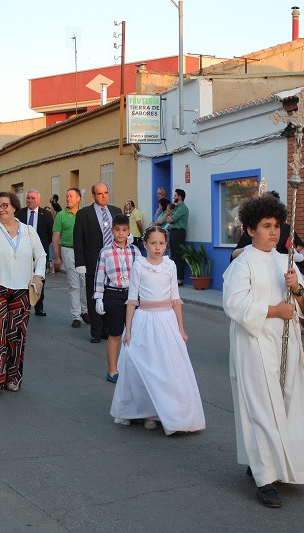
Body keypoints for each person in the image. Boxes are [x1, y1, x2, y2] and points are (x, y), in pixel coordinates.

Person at [222, 194, 304, 509]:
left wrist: (299, 289)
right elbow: (233, 303)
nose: (273, 232)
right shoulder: (244, 261)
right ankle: (264, 479)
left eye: (277, 226)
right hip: (254, 343)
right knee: (261, 408)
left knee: (287, 404)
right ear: (250, 229)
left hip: (286, 343)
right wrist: (275, 311)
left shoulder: (284, 261)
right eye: (266, 226)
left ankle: (274, 462)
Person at [110, 225, 205, 433]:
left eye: (161, 243)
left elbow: (175, 299)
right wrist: (129, 329)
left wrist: (181, 329)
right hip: (144, 320)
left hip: (167, 321)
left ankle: (167, 412)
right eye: (153, 243)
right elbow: (132, 299)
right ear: (144, 245)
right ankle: (147, 412)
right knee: (145, 366)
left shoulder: (170, 266)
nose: (157, 247)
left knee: (167, 368)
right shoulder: (139, 266)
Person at [0, 192, 46, 396]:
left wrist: (38, 277)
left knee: (16, 336)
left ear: (14, 207)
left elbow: (41, 256)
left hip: (22, 290)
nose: (1, 209)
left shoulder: (29, 232)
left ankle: (13, 377)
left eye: (5, 205)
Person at [94, 214, 141, 382]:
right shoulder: (105, 251)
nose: (121, 233)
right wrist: (99, 297)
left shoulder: (135, 251)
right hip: (113, 294)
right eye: (117, 230)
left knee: (134, 334)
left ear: (129, 231)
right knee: (115, 334)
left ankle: (132, 370)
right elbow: (99, 275)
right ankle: (113, 370)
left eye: (124, 230)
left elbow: (141, 275)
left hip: (132, 296)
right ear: (112, 230)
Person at [74, 183, 122, 343]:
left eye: (106, 192)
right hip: (92, 262)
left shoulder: (116, 211)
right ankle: (96, 331)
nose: (103, 196)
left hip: (113, 262)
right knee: (94, 296)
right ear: (93, 196)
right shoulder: (83, 213)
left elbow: (122, 234)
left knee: (110, 297)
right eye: (100, 193)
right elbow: (78, 239)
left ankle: (107, 330)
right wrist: (80, 263)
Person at [53, 187, 90, 328]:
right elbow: (55, 237)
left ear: (78, 198)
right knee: (74, 284)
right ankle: (76, 316)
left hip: (84, 252)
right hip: (68, 250)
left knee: (86, 282)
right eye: (67, 196)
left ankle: (85, 311)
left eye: (71, 196)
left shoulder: (84, 214)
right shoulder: (61, 215)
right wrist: (57, 257)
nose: (68, 198)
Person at [17, 190, 54, 317]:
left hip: (40, 251)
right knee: (23, 278)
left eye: (33, 198)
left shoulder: (46, 214)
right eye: (28, 198)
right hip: (23, 251)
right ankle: (22, 304)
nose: (30, 200)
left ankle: (39, 306)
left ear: (38, 200)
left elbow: (50, 234)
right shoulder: (20, 214)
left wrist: (41, 246)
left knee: (39, 278)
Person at [166, 188, 189, 286]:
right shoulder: (176, 208)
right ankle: (174, 278)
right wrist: (169, 218)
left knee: (178, 255)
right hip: (173, 232)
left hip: (179, 232)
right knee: (173, 255)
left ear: (179, 196)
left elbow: (171, 220)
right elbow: (168, 218)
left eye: (175, 195)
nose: (173, 197)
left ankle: (180, 279)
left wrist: (169, 218)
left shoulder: (183, 208)